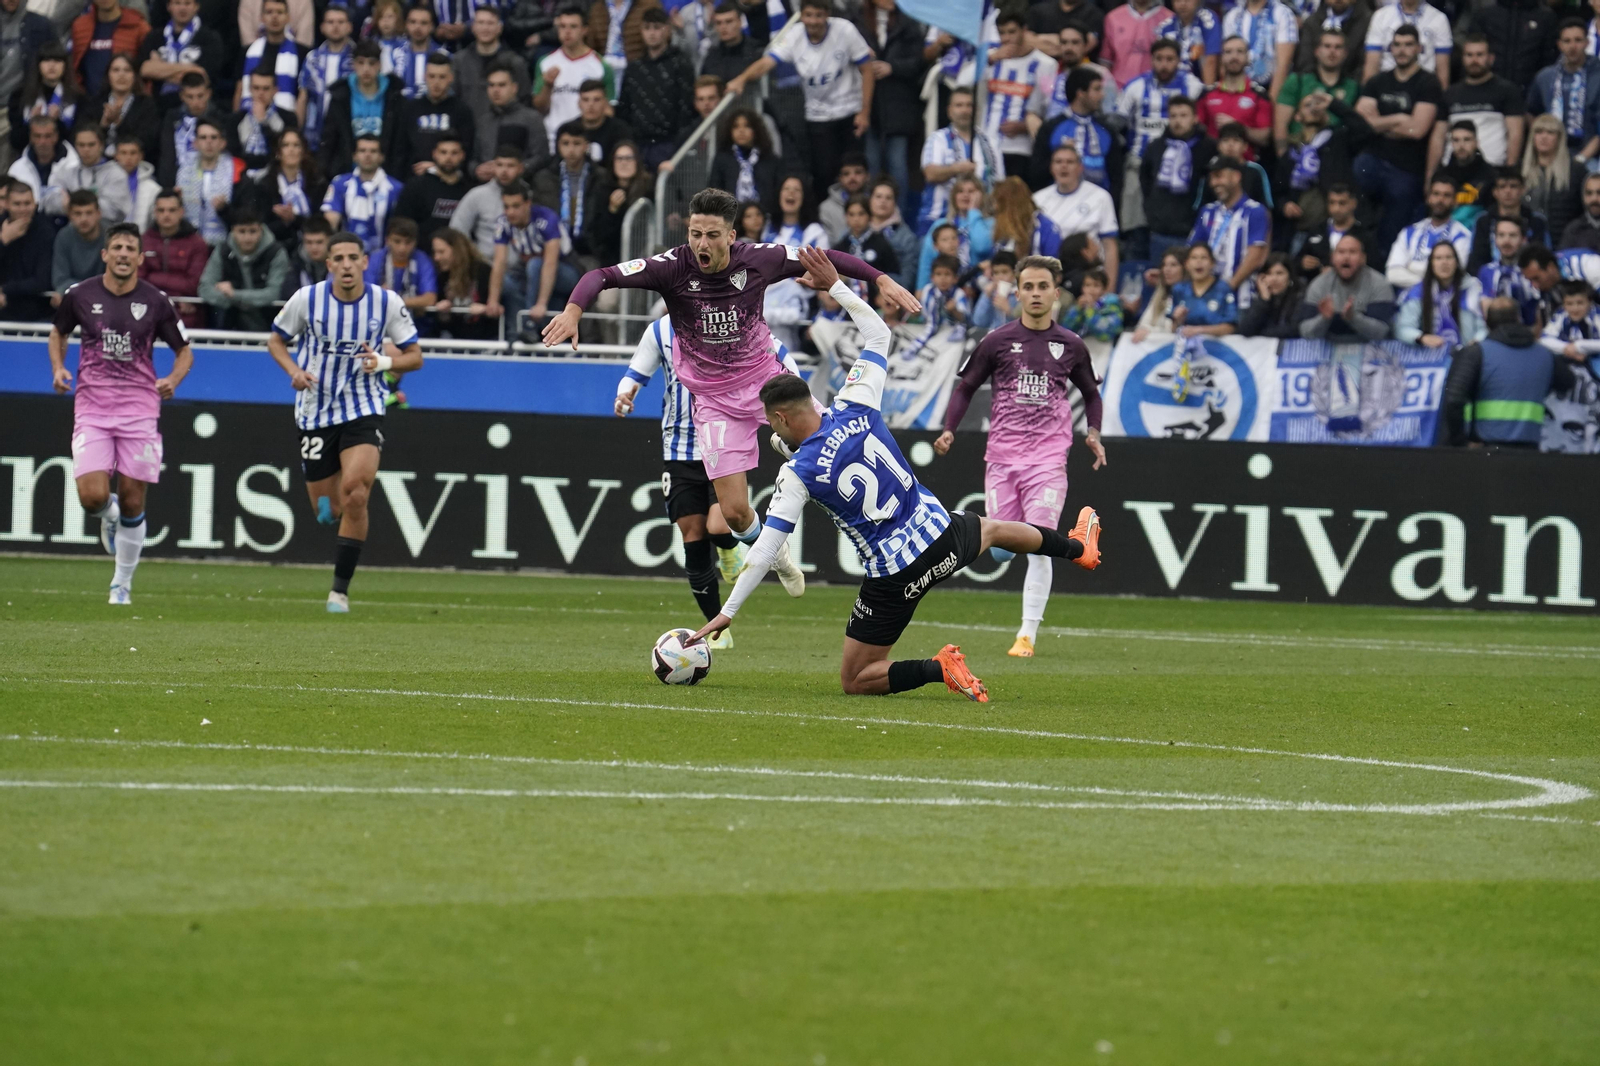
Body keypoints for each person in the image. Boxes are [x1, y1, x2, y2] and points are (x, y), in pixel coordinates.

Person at [695, 248, 1102, 696]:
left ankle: (939, 666)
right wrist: (836, 285)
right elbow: (877, 335)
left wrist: (728, 610)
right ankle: (1077, 549)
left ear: (780, 419)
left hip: (895, 574)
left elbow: (767, 548)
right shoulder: (856, 403)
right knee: (996, 531)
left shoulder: (798, 474)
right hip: (940, 533)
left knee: (856, 680)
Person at [542, 187, 920, 588]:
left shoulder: (759, 259)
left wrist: (881, 280)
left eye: (711, 235)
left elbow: (825, 259)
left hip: (768, 385)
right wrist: (572, 310)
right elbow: (601, 276)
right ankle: (776, 553)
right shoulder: (671, 267)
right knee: (736, 513)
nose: (701, 244)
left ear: (731, 235)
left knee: (836, 451)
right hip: (713, 401)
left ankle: (894, 526)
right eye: (694, 234)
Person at [926, 250, 1107, 661]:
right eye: (1029, 286)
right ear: (1018, 292)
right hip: (1002, 458)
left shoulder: (1071, 345)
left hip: (1048, 457)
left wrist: (1093, 433)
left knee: (1040, 542)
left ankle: (1026, 635)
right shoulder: (997, 341)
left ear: (1056, 294)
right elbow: (966, 386)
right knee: (1004, 547)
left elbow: (1091, 393)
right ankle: (1078, 544)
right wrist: (950, 429)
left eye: (1044, 286)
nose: (1036, 293)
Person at [615, 314, 799, 649]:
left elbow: (785, 361)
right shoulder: (660, 330)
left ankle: (731, 550)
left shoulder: (734, 320)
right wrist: (625, 394)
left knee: (720, 525)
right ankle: (718, 629)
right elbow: (635, 372)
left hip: (723, 438)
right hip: (678, 445)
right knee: (693, 533)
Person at [266, 229, 424, 612]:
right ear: (329, 264)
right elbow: (275, 340)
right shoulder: (308, 299)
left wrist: (383, 362)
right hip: (314, 409)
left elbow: (415, 356)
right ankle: (328, 504)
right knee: (329, 508)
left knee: (357, 491)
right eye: (339, 259)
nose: (347, 265)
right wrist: (294, 370)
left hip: (363, 406)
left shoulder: (385, 302)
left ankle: (339, 590)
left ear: (365, 262)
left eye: (354, 258)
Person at [46, 218, 192, 603]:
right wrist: (59, 368)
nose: (125, 255)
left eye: (132, 249)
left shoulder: (156, 301)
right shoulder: (80, 294)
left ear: (140, 257)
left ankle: (121, 585)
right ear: (105, 254)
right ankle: (107, 517)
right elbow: (58, 332)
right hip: (92, 407)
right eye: (119, 248)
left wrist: (174, 380)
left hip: (140, 410)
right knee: (93, 497)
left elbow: (184, 351)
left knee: (133, 498)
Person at [725, 0, 875, 200]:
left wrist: (864, 113)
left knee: (855, 171)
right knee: (823, 173)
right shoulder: (793, 35)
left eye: (819, 15)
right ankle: (827, 221)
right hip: (818, 116)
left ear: (827, 15)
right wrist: (742, 79)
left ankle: (859, 214)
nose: (813, 21)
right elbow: (766, 63)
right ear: (802, 16)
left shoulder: (845, 30)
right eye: (809, 15)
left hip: (849, 111)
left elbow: (867, 69)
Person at [1353, 24, 1442, 254]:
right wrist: (1401, 119)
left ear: (1419, 49)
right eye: (1397, 45)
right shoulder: (1377, 81)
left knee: (1391, 237)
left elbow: (1418, 130)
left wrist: (1379, 124)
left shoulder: (1428, 83)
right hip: (1372, 160)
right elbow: (1361, 123)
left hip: (1406, 168)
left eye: (1408, 45)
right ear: (1390, 48)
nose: (1402, 50)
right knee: (1355, 183)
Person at [1441, 297, 1576, 447]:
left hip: (1484, 448)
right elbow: (1568, 382)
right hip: (1530, 448)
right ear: (1518, 318)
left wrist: (1459, 441)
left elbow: (1454, 399)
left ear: (1487, 321)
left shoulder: (1476, 353)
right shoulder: (1545, 355)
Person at [1118, 39, 1203, 247]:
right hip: (1138, 161)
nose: (1164, 64)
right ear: (1151, 60)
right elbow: (1120, 122)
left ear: (1178, 61)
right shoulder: (1135, 87)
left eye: (1170, 59)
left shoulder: (1193, 86)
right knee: (1134, 220)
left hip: (1181, 164)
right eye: (1159, 59)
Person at [1275, 92, 1372, 245]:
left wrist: (1333, 104)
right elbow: (1278, 191)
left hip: (1336, 229)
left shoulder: (1339, 140)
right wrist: (1285, 205)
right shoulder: (1292, 151)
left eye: (1318, 105)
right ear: (1297, 116)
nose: (1314, 108)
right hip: (1301, 230)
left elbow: (1365, 131)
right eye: (1307, 105)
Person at [980, 11, 1058, 182]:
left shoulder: (1046, 65)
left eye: (1011, 31)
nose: (1006, 38)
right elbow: (963, 83)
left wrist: (1025, 126)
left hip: (1021, 148)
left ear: (1024, 31)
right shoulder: (989, 58)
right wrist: (991, 59)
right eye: (1002, 33)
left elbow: (1050, 105)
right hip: (987, 144)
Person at [614, 6, 693, 171]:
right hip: (638, 144)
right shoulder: (634, 68)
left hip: (669, 143)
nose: (652, 33)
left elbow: (685, 110)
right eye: (647, 28)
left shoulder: (681, 64)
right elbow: (624, 108)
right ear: (641, 31)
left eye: (657, 28)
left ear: (667, 30)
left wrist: (678, 144)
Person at [1431, 35, 1524, 174]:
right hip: (1453, 172)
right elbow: (1438, 137)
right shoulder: (1450, 93)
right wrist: (1431, 176)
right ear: (1463, 59)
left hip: (1493, 169)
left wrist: (1509, 173)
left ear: (1491, 58)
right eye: (1469, 55)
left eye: (1479, 55)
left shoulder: (1507, 91)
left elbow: (1515, 134)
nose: (1474, 60)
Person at [485, 178, 564, 337]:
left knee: (535, 265)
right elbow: (499, 262)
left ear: (528, 203)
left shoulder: (547, 219)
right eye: (506, 207)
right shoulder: (503, 223)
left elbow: (550, 263)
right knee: (506, 281)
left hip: (565, 270)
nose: (510, 212)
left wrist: (541, 304)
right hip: (529, 271)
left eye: (516, 206)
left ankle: (529, 325)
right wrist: (492, 300)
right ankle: (514, 332)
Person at [1142, 95, 1214, 266]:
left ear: (1195, 118)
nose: (1177, 121)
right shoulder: (1156, 146)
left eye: (1183, 115)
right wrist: (1152, 211)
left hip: (1193, 230)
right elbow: (1145, 179)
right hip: (1160, 229)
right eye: (1173, 116)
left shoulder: (1209, 148)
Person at [1188, 158, 1270, 309]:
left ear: (1236, 177)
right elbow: (1192, 250)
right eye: (1212, 178)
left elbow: (1255, 257)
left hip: (1241, 300)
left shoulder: (1255, 211)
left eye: (1219, 176)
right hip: (1205, 298)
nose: (1213, 183)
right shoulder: (1207, 212)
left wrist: (1227, 289)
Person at [918, 87, 1000, 237]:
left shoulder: (990, 143)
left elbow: (999, 184)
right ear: (949, 111)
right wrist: (956, 169)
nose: (965, 110)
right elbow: (930, 173)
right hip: (939, 221)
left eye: (969, 105)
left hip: (980, 223)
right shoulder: (938, 139)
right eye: (959, 105)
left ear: (977, 110)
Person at [1033, 143, 1119, 285]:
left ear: (1080, 167)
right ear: (1051, 167)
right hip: (1048, 276)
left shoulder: (1100, 197)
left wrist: (1109, 289)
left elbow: (1110, 246)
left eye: (1070, 162)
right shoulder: (1037, 200)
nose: (1064, 166)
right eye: (1058, 162)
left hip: (1088, 279)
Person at [532, 4, 614, 155]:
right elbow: (539, 108)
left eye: (573, 26)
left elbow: (608, 110)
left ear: (585, 30)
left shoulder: (600, 65)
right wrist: (548, 86)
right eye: (562, 26)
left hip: (587, 142)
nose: (567, 32)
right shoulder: (545, 63)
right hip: (553, 141)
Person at [319, 40, 404, 178]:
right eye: (360, 62)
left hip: (386, 176)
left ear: (380, 65)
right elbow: (329, 139)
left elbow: (400, 143)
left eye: (371, 63)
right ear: (353, 65)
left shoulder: (394, 97)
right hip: (347, 173)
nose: (366, 69)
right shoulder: (340, 97)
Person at [198, 206, 288, 330]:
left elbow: (274, 293)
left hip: (268, 323)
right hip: (229, 324)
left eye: (252, 231)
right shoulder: (223, 250)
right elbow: (204, 288)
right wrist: (239, 299)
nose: (247, 237)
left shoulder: (276, 252)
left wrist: (234, 295)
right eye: (242, 231)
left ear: (261, 229)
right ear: (233, 230)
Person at [1528, 19, 1600, 169]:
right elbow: (1531, 113)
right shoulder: (1545, 77)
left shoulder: (1598, 75)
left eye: (1578, 40)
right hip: (1551, 155)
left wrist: (1580, 160)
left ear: (1587, 43)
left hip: (1590, 157)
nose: (1572, 46)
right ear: (1559, 45)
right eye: (1567, 41)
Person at [1032, 67, 1116, 194]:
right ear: (1080, 93)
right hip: (1058, 203)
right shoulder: (1051, 128)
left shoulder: (1107, 130)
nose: (1102, 95)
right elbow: (1036, 173)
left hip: (1098, 204)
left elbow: (1115, 177)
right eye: (1097, 89)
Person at [1298, 233, 1395, 342]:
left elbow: (1383, 333)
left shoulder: (1379, 284)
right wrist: (1324, 318)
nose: (1346, 257)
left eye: (1352, 252)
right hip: (1327, 350)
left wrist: (1353, 318)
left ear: (1363, 258)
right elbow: (1305, 332)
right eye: (1341, 252)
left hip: (1370, 351)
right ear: (1332, 258)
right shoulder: (1319, 284)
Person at [391, 52, 475, 178]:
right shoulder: (410, 109)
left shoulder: (462, 111)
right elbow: (399, 151)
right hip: (414, 180)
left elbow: (466, 151)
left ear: (450, 78)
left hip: (450, 180)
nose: (436, 82)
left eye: (442, 77)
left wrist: (436, 168)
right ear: (425, 77)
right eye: (432, 76)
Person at [239, 127, 322, 251]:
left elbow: (321, 224)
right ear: (278, 153)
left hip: (312, 248)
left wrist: (294, 219)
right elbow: (260, 226)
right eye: (285, 145)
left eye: (296, 145)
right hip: (275, 248)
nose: (291, 149)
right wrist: (284, 223)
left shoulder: (316, 183)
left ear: (303, 151)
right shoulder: (264, 185)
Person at [1276, 29, 1360, 152]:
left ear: (1345, 53)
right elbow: (1280, 125)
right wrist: (1283, 157)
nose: (1332, 51)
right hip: (1299, 151)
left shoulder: (1354, 87)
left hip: (1338, 155)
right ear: (1317, 51)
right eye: (1327, 46)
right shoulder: (1297, 81)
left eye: (1338, 47)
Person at [452, 5, 531, 134]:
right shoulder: (459, 61)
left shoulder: (516, 63)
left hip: (506, 133)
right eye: (481, 23)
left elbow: (525, 101)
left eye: (490, 23)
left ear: (499, 28)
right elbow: (454, 101)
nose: (485, 28)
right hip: (467, 132)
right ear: (473, 27)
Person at [139, 187, 209, 327]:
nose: (166, 215)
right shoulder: (143, 241)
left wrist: (153, 277)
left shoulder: (197, 244)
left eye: (172, 210)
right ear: (155, 213)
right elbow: (138, 280)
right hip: (149, 308)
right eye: (161, 210)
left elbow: (194, 284)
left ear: (181, 212)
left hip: (187, 312)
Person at [322, 133, 402, 255]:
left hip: (383, 258)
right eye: (362, 150)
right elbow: (330, 221)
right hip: (347, 256)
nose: (367, 155)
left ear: (382, 157)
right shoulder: (340, 183)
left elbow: (400, 227)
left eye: (373, 151)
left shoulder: (396, 188)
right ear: (354, 156)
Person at [531, 121, 602, 261]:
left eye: (576, 143)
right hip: (553, 249)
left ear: (586, 146)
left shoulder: (600, 178)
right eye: (566, 143)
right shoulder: (544, 178)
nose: (571, 149)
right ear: (558, 146)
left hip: (589, 251)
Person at [137, 0, 228, 109]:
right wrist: (190, 68)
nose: (182, 8)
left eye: (187, 3)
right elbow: (145, 69)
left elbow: (203, 76)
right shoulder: (154, 37)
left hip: (197, 107)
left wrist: (160, 68)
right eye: (177, 3)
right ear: (169, 6)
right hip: (158, 106)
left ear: (196, 7)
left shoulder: (210, 38)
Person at [1386, 175, 1472, 289]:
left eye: (1446, 195)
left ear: (1454, 201)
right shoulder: (1409, 232)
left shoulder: (1462, 235)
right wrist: (1425, 282)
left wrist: (1411, 269)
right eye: (1436, 194)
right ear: (1428, 198)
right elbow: (1392, 273)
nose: (1440, 200)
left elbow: (1452, 275)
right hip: (1408, 299)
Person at [1395, 242, 1485, 348]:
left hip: (1467, 353)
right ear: (1431, 263)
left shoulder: (1472, 288)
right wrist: (1421, 337)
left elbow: (1483, 327)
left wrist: (1476, 342)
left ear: (1456, 262)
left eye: (1449, 257)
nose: (1444, 262)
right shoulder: (1418, 291)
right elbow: (1402, 328)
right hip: (1430, 354)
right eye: (1438, 258)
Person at [1196, 37, 1272, 161]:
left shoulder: (1259, 95)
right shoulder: (1206, 95)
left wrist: (1236, 126)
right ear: (1221, 58)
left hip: (1246, 167)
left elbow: (1264, 139)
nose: (1234, 57)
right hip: (1212, 165)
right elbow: (1198, 133)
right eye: (1228, 52)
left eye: (1240, 52)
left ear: (1248, 57)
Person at [297, 4, 355, 157]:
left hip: (348, 133)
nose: (335, 26)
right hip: (315, 134)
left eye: (341, 22)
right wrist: (298, 131)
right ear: (322, 27)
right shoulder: (312, 58)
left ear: (349, 27)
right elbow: (303, 96)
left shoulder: (358, 59)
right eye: (330, 22)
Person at [395, 134, 471, 248]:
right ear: (434, 154)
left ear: (462, 155)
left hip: (459, 256)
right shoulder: (416, 186)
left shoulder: (470, 190)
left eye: (454, 153)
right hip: (422, 256)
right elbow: (402, 225)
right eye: (443, 152)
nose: (449, 158)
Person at [1468, 169, 1551, 273]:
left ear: (1523, 190)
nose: (1508, 191)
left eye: (1513, 186)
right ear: (1495, 192)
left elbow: (1545, 257)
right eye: (1502, 186)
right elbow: (1476, 259)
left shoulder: (1537, 221)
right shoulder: (1483, 221)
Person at [83, 53, 161, 165]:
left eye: (127, 70)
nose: (121, 75)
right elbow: (83, 138)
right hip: (98, 165)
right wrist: (104, 124)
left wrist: (119, 123)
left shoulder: (146, 105)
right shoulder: (94, 103)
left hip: (135, 166)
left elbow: (148, 142)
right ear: (108, 75)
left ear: (135, 75)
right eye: (116, 70)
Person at [177, 118, 244, 246]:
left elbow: (243, 215)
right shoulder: (183, 171)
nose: (209, 142)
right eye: (203, 137)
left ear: (222, 143)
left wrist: (224, 209)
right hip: (189, 243)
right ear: (195, 143)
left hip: (224, 245)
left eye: (213, 137)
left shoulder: (236, 171)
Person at [1523, 114, 1587, 248]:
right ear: (1532, 137)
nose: (1544, 137)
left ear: (1559, 138)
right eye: (1539, 132)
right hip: (1527, 246)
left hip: (1566, 245)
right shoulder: (1520, 172)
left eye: (1550, 132)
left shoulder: (1577, 171)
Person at [154, 71, 225, 188]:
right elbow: (167, 156)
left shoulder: (220, 118)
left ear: (208, 94)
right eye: (190, 97)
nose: (195, 102)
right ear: (182, 96)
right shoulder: (172, 118)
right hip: (178, 182)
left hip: (211, 182)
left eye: (200, 96)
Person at [1466, 0, 1555, 93]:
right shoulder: (1485, 15)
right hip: (1487, 92)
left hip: (1530, 93)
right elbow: (1471, 51)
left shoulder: (1546, 17)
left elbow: (1549, 59)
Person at [69, 0, 149, 101]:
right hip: (89, 104)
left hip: (129, 105)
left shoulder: (138, 26)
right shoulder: (80, 27)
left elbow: (146, 71)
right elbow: (76, 68)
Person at [1222, 0, 1299, 105]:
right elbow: (1226, 61)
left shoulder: (1282, 14)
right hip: (1239, 91)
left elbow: (1283, 65)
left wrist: (1268, 104)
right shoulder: (1232, 16)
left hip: (1271, 88)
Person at [364, 215, 437, 323]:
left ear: (415, 242)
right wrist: (414, 302)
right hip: (379, 323)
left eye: (408, 243)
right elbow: (366, 295)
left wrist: (391, 299)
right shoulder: (375, 259)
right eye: (397, 241)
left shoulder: (423, 260)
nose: (402, 248)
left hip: (416, 325)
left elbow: (430, 299)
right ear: (387, 240)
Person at [708, 108, 779, 219]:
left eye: (747, 126)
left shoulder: (769, 160)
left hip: (764, 220)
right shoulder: (722, 159)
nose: (741, 130)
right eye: (736, 126)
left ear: (756, 130)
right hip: (730, 220)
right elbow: (714, 191)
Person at [1298, 181, 1375, 280]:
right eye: (1332, 202)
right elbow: (1297, 261)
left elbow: (1373, 267)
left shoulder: (1364, 234)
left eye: (1342, 203)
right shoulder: (1317, 229)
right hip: (1317, 289)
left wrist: (1337, 272)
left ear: (1353, 203)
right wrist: (1302, 263)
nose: (1336, 208)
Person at [1363, 0, 1451, 87]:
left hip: (1423, 86)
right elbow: (1371, 65)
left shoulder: (1439, 19)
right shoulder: (1380, 16)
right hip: (1386, 85)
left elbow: (1442, 70)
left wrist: (1441, 98)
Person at [238, 0, 304, 114]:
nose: (274, 17)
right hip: (250, 119)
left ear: (288, 17)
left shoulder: (302, 52)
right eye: (269, 12)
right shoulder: (248, 51)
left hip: (287, 120)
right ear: (262, 18)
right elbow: (240, 89)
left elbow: (303, 95)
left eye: (279, 12)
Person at [428, 227, 495, 339]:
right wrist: (442, 312)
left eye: (441, 252)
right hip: (454, 338)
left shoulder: (482, 270)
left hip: (484, 337)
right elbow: (442, 323)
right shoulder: (442, 275)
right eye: (435, 252)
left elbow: (498, 308)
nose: (436, 257)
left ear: (457, 250)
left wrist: (485, 309)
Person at [0, 178, 53, 319]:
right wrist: (3, 240)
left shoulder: (45, 231)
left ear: (35, 204)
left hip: (34, 308)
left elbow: (42, 281)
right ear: (6, 204)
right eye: (17, 204)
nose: (23, 209)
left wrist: (4, 289)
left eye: (27, 203)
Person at [229, 69, 298, 172]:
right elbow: (234, 155)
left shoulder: (288, 118)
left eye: (266, 89)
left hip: (275, 174)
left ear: (275, 90)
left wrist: (263, 123)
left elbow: (281, 151)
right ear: (250, 89)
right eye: (256, 88)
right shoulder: (236, 119)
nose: (260, 93)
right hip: (243, 176)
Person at [1477, 218, 1542, 325]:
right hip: (1495, 335)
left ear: (1524, 239)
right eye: (1501, 235)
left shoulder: (1534, 271)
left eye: (1512, 235)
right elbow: (1484, 311)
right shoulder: (1486, 271)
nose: (1506, 241)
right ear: (1495, 239)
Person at [1431, 122, 1496, 222]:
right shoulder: (1441, 175)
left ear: (1476, 143)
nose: (1461, 145)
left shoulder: (1490, 175)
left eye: (1467, 139)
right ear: (1451, 143)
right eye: (1456, 140)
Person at [1169, 242, 1238, 337]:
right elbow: (1172, 330)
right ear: (1187, 264)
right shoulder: (1179, 289)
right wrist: (1178, 321)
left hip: (1215, 349)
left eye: (1204, 258)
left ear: (1212, 263)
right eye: (1194, 258)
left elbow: (1230, 327)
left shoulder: (1223, 289)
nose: (1199, 261)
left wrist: (1199, 330)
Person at [1517, 243, 1600, 322]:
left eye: (1536, 278)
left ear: (1550, 267)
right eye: (1530, 280)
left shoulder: (1589, 265)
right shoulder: (1544, 284)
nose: (1534, 285)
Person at [1294, 0, 1372, 83]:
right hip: (1313, 85)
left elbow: (1365, 64)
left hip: (1353, 87)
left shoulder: (1369, 22)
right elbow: (1305, 61)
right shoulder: (1312, 22)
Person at [1099, 0, 1170, 90]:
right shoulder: (1113, 18)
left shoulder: (1169, 19)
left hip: (1157, 88)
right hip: (1119, 88)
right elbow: (1106, 61)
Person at [53, 188, 109, 296]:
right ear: (69, 215)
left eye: (89, 213)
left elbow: (114, 280)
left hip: (107, 297)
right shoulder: (63, 237)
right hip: (75, 297)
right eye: (77, 213)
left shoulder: (111, 237)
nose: (83, 219)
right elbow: (60, 280)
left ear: (99, 214)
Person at [991, 175, 1062, 260]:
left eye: (999, 202)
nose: (995, 207)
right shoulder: (1001, 230)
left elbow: (1054, 267)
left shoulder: (1046, 229)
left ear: (1011, 205)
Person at [867, 178, 919, 291]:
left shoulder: (907, 238)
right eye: (878, 196)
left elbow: (906, 282)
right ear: (869, 200)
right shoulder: (855, 231)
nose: (883, 201)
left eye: (888, 198)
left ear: (895, 203)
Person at [1154, 0, 1221, 85]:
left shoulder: (1207, 19)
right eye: (1178, 0)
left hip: (1199, 84)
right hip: (1172, 85)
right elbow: (1159, 62)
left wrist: (1208, 91)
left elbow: (1211, 60)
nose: (1182, 4)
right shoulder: (1165, 27)